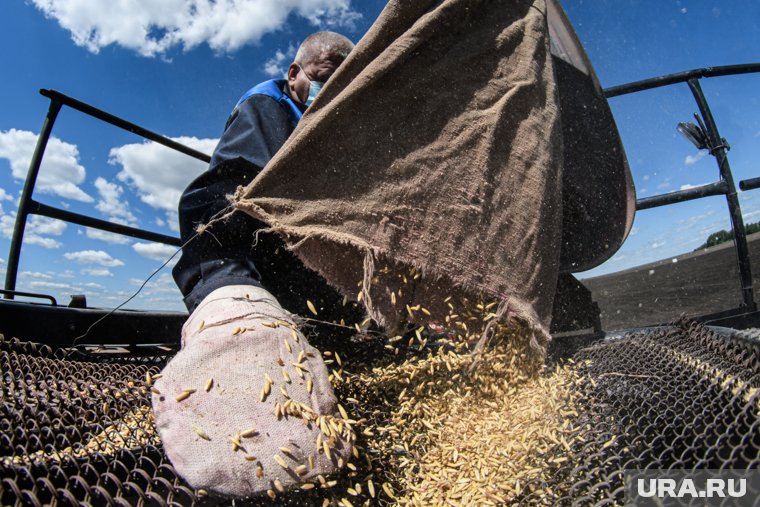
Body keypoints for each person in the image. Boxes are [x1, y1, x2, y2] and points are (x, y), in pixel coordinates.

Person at [152, 32, 358, 499]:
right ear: (294, 75)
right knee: (228, 205)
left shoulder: (326, 126)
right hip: (254, 260)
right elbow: (228, 195)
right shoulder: (269, 108)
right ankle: (231, 312)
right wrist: (228, 288)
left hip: (304, 264)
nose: (328, 92)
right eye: (323, 80)